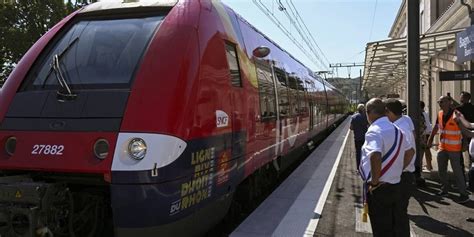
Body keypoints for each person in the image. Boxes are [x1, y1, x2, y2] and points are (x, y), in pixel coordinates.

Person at [359, 98, 414, 237]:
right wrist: (397, 170)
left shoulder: (374, 131)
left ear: (369, 112)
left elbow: (375, 155)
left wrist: (375, 182)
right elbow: (411, 151)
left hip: (380, 189)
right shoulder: (397, 130)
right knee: (394, 223)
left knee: (381, 228)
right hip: (395, 185)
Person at [427, 95, 470, 203]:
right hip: (443, 147)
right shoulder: (440, 113)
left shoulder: (457, 114)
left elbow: (464, 129)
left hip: (455, 148)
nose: (440, 104)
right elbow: (437, 126)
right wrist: (431, 138)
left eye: (442, 101)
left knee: (458, 172)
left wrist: (464, 143)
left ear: (449, 102)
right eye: (439, 102)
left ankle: (463, 194)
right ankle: (444, 189)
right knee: (442, 170)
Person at [384, 99, 416, 237]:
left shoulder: (400, 128)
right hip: (404, 175)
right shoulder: (403, 123)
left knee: (399, 214)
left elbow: (410, 152)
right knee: (398, 213)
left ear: (389, 112)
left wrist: (397, 170)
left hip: (403, 176)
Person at [457, 91, 474, 176]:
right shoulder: (473, 108)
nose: (460, 98)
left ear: (464, 98)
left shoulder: (458, 109)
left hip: (462, 134)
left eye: (461, 97)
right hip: (472, 134)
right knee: (472, 156)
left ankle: (463, 176)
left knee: (459, 157)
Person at [350, 104, 369, 170]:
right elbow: (369, 125)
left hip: (357, 138)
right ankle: (364, 167)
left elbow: (351, 128)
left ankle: (358, 167)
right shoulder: (366, 117)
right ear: (364, 109)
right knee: (365, 152)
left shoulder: (354, 117)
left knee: (358, 152)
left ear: (358, 109)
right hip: (365, 138)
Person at [420, 101, 433, 171]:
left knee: (422, 151)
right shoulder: (426, 113)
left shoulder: (421, 114)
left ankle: (421, 165)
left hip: (424, 134)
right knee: (427, 150)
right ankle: (429, 165)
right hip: (428, 133)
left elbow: (423, 126)